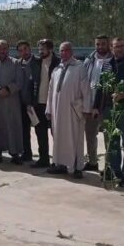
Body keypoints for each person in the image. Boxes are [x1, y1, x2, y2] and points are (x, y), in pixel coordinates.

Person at [93, 38, 124, 187]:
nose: (119, 49)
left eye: (121, 46)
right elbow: (101, 86)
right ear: (111, 48)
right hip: (109, 109)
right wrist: (96, 106)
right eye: (116, 47)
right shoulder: (107, 64)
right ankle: (115, 172)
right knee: (112, 143)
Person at [46, 42, 91, 178]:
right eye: (61, 51)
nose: (63, 53)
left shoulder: (79, 67)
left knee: (75, 139)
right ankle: (60, 164)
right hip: (57, 112)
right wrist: (49, 109)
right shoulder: (56, 70)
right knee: (59, 138)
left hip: (73, 111)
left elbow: (86, 89)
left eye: (66, 50)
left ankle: (77, 168)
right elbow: (50, 91)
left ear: (71, 52)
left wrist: (86, 108)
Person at [0, 40, 24, 164]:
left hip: (11, 100)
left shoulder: (16, 63)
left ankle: (15, 153)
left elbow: (20, 81)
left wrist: (8, 89)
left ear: (8, 49)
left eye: (4, 49)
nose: (2, 51)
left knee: (12, 125)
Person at [83, 34, 114, 171]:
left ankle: (110, 167)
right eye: (97, 44)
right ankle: (92, 162)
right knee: (90, 134)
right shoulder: (89, 60)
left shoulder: (114, 61)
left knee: (109, 137)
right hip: (90, 105)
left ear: (108, 45)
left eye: (103, 44)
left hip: (106, 105)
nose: (100, 47)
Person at [28, 39, 60, 168]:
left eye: (43, 49)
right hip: (38, 103)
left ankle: (58, 160)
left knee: (55, 133)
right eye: (39, 49)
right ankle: (43, 158)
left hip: (53, 104)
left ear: (50, 49)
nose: (40, 51)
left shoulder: (58, 63)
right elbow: (30, 82)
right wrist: (30, 102)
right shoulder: (36, 62)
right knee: (40, 133)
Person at [15, 40, 34, 162]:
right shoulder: (17, 64)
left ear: (30, 49)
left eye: (25, 49)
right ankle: (27, 153)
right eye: (21, 50)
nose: (24, 52)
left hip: (35, 103)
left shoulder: (38, 62)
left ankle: (44, 156)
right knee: (24, 130)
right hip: (21, 103)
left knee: (40, 130)